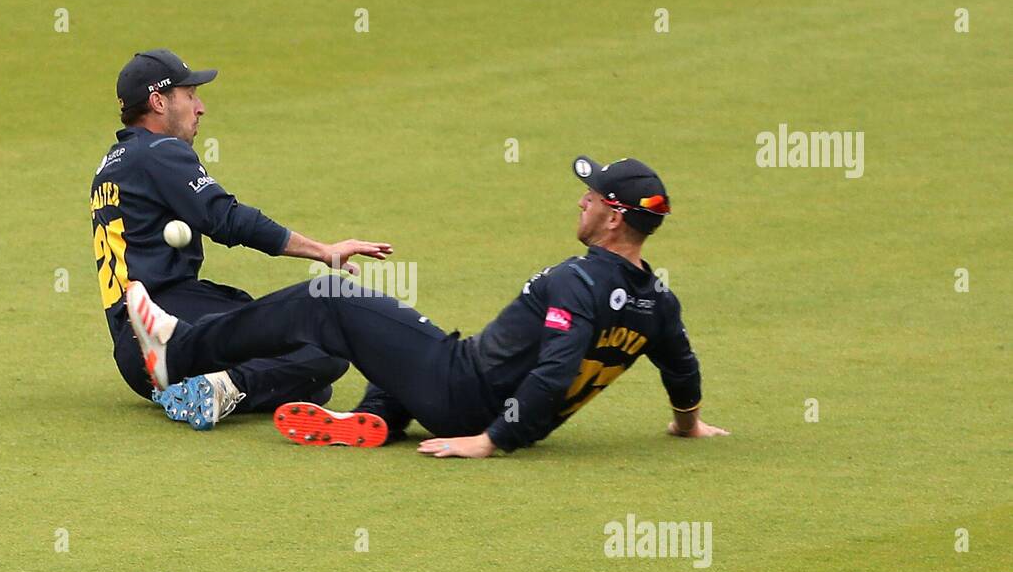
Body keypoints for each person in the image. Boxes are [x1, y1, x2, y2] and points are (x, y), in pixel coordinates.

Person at [123, 154, 729, 457]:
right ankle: (379, 415)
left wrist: (491, 441)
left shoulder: (578, 280)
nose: (582, 203)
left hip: (461, 393)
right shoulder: (658, 299)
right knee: (380, 340)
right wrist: (687, 422)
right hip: (466, 390)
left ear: (615, 216)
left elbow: (557, 366)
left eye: (592, 197)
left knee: (329, 297)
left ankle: (180, 350)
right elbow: (680, 366)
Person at [90, 48, 391, 429]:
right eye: (190, 95)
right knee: (324, 350)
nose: (200, 108)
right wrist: (322, 250)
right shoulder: (160, 152)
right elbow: (225, 218)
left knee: (313, 389)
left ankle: (212, 388)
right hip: (169, 324)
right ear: (158, 101)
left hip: (133, 352)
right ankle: (222, 388)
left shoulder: (112, 164)